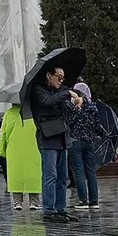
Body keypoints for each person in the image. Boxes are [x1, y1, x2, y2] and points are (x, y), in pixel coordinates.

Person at [31, 65, 83, 223]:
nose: (61, 80)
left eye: (63, 78)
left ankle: (61, 209)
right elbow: (48, 102)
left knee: (62, 177)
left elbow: (71, 99)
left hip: (62, 137)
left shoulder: (60, 90)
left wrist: (77, 100)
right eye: (58, 77)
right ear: (49, 75)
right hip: (48, 138)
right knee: (50, 175)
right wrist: (67, 94)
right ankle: (49, 210)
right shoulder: (38, 91)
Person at [67, 82, 104, 210]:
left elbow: (69, 123)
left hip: (75, 142)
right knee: (91, 171)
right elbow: (97, 125)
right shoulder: (93, 107)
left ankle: (83, 200)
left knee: (78, 171)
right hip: (89, 142)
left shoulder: (74, 106)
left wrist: (76, 110)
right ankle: (94, 201)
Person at [0, 104, 41, 211]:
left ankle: (18, 202)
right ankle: (34, 202)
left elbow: (3, 133)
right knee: (33, 174)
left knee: (16, 174)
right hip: (33, 148)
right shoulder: (34, 111)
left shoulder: (9, 113)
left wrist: (1, 151)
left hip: (14, 148)